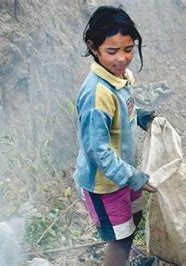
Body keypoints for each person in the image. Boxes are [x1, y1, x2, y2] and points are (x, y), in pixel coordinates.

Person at [74, 6, 157, 265]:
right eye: (112, 51)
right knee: (119, 239)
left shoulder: (118, 77)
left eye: (128, 49)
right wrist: (133, 176)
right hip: (105, 184)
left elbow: (120, 111)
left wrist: (139, 115)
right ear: (93, 47)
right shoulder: (97, 94)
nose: (122, 58)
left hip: (123, 174)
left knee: (134, 218)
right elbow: (97, 151)